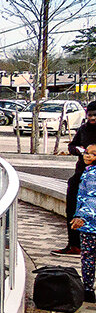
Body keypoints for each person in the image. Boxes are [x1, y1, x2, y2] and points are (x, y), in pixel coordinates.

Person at [55, 102, 96, 256]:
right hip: (80, 174)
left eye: (95, 115)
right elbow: (72, 145)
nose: (92, 118)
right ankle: (74, 244)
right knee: (72, 208)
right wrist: (78, 151)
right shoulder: (84, 129)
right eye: (89, 115)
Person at [68, 142, 96, 303]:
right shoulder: (88, 171)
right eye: (86, 152)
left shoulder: (92, 174)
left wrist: (82, 217)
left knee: (88, 257)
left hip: (90, 225)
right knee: (88, 257)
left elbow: (92, 198)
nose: (87, 155)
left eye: (93, 154)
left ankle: (88, 289)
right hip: (88, 223)